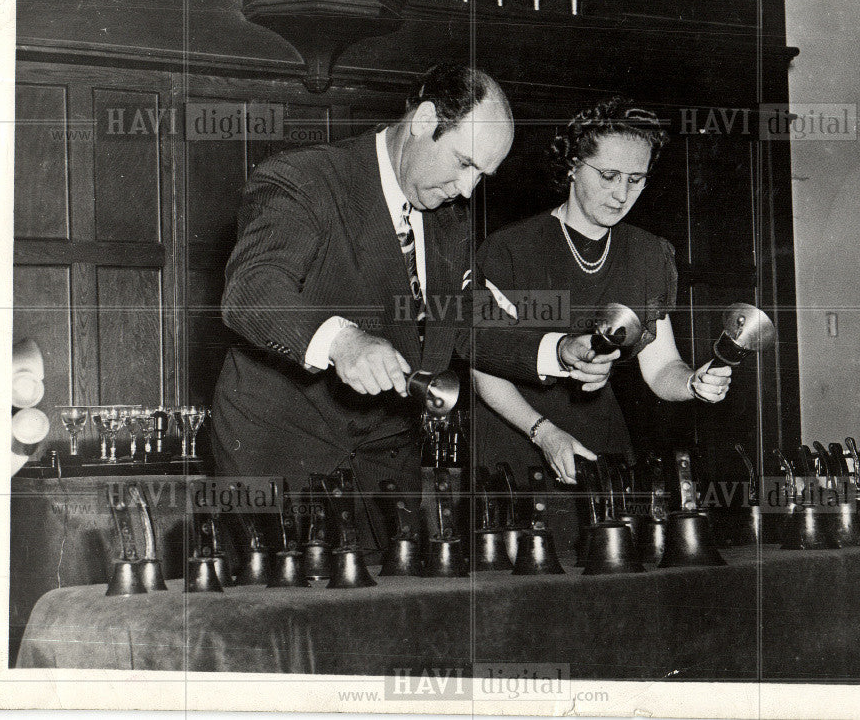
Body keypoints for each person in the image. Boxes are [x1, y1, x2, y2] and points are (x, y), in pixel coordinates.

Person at [210, 65, 617, 507]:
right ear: (424, 120)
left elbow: (464, 319)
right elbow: (252, 289)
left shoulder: (448, 220)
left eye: (482, 175)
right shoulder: (306, 179)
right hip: (277, 445)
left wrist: (557, 350)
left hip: (385, 457)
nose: (466, 189)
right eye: (464, 163)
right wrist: (341, 341)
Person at [472, 97, 733, 492]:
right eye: (609, 175)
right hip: (518, 444)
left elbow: (662, 367)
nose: (621, 195)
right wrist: (543, 432)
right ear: (574, 166)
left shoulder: (648, 254)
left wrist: (693, 382)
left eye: (635, 179)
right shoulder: (510, 249)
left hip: (601, 448)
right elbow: (482, 366)